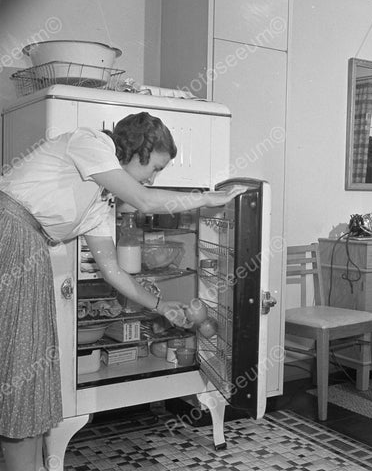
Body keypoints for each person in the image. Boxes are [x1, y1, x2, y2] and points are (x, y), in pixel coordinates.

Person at [0, 111, 246, 470]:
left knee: (30, 365)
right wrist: (206, 198)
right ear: (138, 150)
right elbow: (145, 200)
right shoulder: (90, 142)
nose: (155, 176)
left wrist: (162, 306)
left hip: (29, 248)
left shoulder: (100, 200)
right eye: (156, 168)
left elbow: (114, 271)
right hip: (10, 233)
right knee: (21, 366)